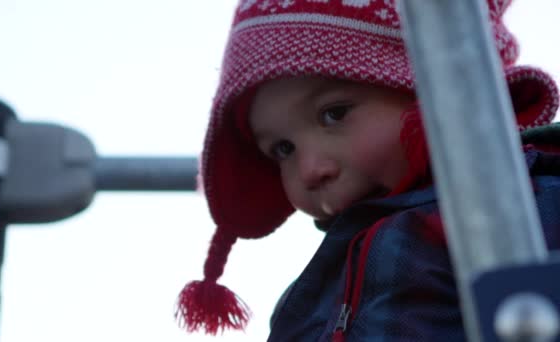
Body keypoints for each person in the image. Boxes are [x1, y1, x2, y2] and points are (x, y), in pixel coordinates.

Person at [175, 0, 560, 340]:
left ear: (429, 92)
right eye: (283, 149)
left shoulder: (533, 202)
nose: (309, 170)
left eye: (334, 113)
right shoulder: (313, 292)